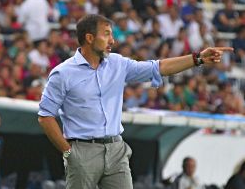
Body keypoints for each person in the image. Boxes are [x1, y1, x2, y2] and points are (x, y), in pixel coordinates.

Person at [37, 14, 233, 189]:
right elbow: (45, 116)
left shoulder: (118, 63)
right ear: (89, 38)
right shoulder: (62, 73)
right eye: (106, 34)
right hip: (82, 151)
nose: (112, 40)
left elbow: (158, 67)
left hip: (116, 149)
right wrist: (69, 153)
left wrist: (197, 58)